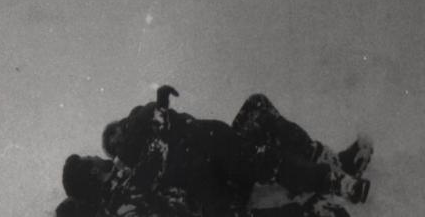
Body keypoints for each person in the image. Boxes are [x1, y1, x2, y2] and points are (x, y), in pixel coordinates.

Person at [57, 86, 372, 217]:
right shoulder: (123, 189)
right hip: (212, 183)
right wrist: (160, 124)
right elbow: (157, 164)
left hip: (213, 157)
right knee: (246, 155)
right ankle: (324, 187)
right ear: (93, 173)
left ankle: (330, 162)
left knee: (256, 108)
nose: (100, 156)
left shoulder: (126, 169)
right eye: (92, 159)